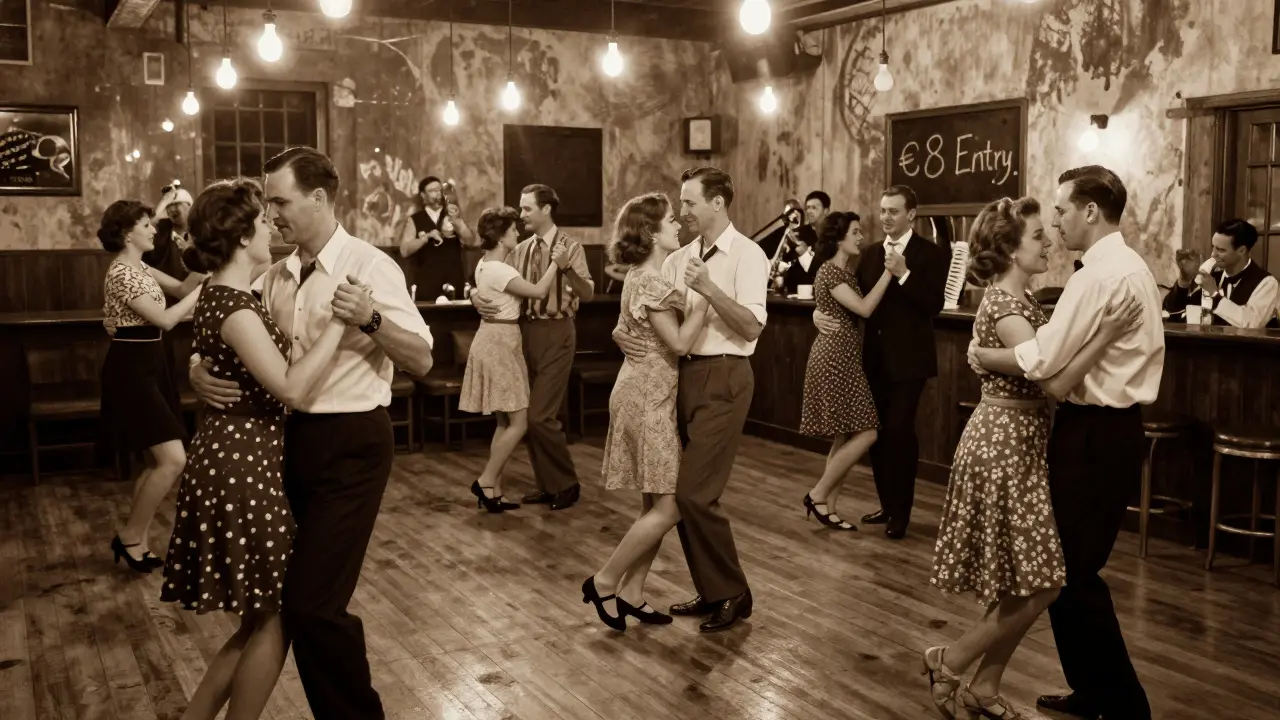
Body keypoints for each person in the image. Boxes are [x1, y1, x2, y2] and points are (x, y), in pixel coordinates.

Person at [189, 147, 434, 720]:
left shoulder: (372, 267)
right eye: (268, 203)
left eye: (281, 201)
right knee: (281, 605)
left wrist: (371, 320)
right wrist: (198, 369)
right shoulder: (275, 276)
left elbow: (421, 358)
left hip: (352, 445)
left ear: (319, 199)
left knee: (314, 606)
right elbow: (234, 340)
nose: (272, 214)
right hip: (282, 446)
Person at [924, 197, 1142, 719]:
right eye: (1037, 236)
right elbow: (1058, 382)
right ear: (1008, 249)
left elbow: (1044, 363)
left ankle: (985, 685)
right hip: (1004, 447)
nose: (1048, 242)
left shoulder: (1022, 304)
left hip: (1022, 443)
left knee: (1029, 580)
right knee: (1044, 582)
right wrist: (1108, 334)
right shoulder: (1003, 307)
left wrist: (988, 357)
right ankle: (950, 659)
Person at [968, 166, 1163, 720]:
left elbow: (1044, 363)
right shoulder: (1124, 268)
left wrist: (984, 357)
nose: (1055, 221)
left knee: (1068, 573)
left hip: (1096, 435)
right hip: (1103, 431)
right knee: (1066, 572)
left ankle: (1123, 703)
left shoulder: (1099, 277)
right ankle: (1095, 691)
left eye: (1060, 211)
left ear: (1089, 212)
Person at [160, 178, 348, 720]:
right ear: (243, 235)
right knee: (276, 615)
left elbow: (211, 343)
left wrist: (196, 367)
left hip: (237, 455)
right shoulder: (234, 305)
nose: (272, 227)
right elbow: (289, 388)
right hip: (241, 464)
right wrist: (340, 323)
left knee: (261, 615)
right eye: (263, 221)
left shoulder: (234, 292)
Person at [612, 166, 768, 633]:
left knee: (694, 494)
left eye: (690, 202)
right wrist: (620, 331)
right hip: (679, 379)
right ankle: (713, 588)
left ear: (718, 203)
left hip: (724, 375)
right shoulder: (677, 257)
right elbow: (654, 313)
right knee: (681, 491)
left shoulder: (748, 255)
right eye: (680, 204)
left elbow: (752, 326)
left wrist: (710, 289)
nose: (683, 211)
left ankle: (734, 593)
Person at [584, 193, 708, 632]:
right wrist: (709, 297)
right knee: (670, 507)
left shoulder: (643, 275)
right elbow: (678, 344)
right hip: (645, 398)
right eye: (672, 221)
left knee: (654, 503)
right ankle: (604, 581)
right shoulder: (651, 281)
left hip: (645, 391)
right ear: (653, 232)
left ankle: (633, 593)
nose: (679, 225)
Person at [814, 185, 948, 539]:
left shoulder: (930, 254)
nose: (885, 217)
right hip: (871, 361)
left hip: (910, 363)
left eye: (893, 211)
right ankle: (887, 505)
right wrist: (818, 311)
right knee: (875, 435)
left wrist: (904, 273)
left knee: (900, 432)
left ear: (911, 215)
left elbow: (934, 304)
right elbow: (851, 299)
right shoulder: (870, 253)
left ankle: (901, 513)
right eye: (883, 210)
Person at [96, 200, 202, 572]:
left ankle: (135, 539)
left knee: (157, 459)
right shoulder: (122, 273)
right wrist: (201, 293)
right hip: (131, 368)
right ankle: (129, 536)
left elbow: (185, 286)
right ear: (128, 233)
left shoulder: (141, 267)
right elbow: (168, 318)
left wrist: (209, 258)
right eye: (146, 224)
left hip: (152, 364)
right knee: (173, 460)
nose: (153, 229)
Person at [475, 183, 593, 511]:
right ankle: (548, 485)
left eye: (527, 208)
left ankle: (566, 484)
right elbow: (489, 271)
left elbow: (588, 294)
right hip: (523, 333)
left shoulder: (571, 246)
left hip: (557, 332)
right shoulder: (519, 248)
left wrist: (566, 266)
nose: (522, 214)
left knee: (540, 415)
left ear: (546, 209)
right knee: (525, 414)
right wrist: (474, 295)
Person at [460, 206, 563, 512]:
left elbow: (477, 284)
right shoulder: (501, 270)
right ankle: (486, 480)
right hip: (500, 342)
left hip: (495, 338)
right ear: (502, 235)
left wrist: (471, 293)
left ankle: (494, 490)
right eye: (513, 230)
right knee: (519, 421)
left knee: (505, 421)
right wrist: (557, 263)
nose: (518, 234)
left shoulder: (484, 264)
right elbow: (538, 291)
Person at [798, 211, 891, 531]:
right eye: (855, 231)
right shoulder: (831, 272)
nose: (860, 236)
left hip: (844, 357)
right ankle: (818, 493)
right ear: (839, 239)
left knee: (844, 435)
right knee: (868, 433)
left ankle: (827, 506)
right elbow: (864, 309)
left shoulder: (842, 270)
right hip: (834, 359)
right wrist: (890, 274)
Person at [1162, 219, 1278, 328]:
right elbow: (1173, 313)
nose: (1213, 254)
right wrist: (1184, 280)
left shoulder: (1267, 283)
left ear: (1241, 251)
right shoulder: (1213, 277)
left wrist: (1214, 295)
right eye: (1213, 247)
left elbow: (1252, 323)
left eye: (1221, 250)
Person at [399, 175, 475, 298]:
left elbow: (470, 241)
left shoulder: (452, 214)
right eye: (432, 191)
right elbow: (404, 250)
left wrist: (458, 222)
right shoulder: (415, 219)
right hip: (427, 283)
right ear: (423, 195)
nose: (437, 194)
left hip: (454, 281)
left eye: (439, 190)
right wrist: (426, 237)